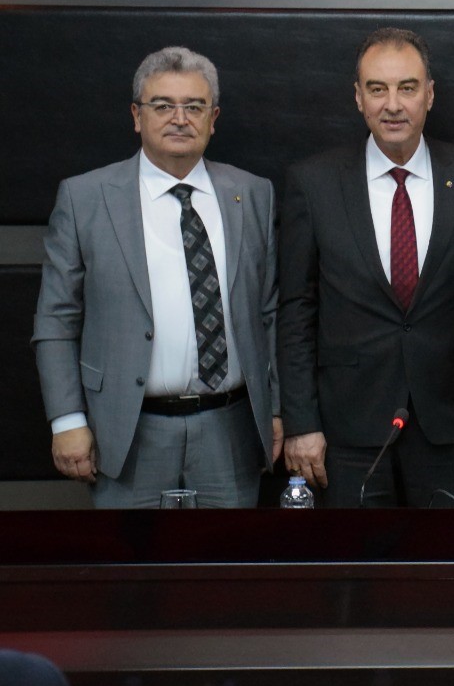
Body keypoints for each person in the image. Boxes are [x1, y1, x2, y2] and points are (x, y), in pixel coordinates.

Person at [33, 47, 280, 507]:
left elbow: (270, 314)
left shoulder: (252, 194)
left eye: (194, 106)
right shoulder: (86, 198)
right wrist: (67, 420)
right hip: (125, 433)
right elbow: (56, 320)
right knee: (131, 556)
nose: (179, 119)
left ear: (213, 118)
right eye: (163, 105)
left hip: (231, 433)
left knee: (226, 554)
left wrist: (278, 409)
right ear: (136, 115)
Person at [278, 28, 454, 507]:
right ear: (358, 97)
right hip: (346, 430)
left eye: (407, 87)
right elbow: (297, 310)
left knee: (452, 555)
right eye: (377, 89)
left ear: (430, 95)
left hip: (453, 424)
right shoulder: (313, 182)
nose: (393, 105)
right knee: (355, 556)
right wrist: (301, 423)